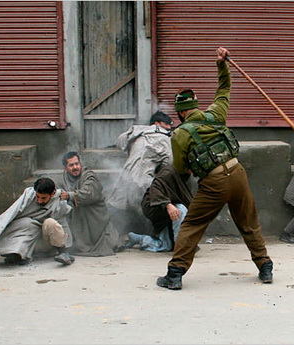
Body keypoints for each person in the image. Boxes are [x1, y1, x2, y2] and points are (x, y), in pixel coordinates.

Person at [156, 47, 273, 290]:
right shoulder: (216, 113)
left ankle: (175, 274)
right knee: (249, 223)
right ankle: (265, 267)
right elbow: (224, 89)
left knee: (192, 225)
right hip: (238, 173)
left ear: (180, 112)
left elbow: (180, 167)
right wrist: (222, 64)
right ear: (197, 105)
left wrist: (191, 165)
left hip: (214, 182)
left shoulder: (179, 134)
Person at [0, 177, 75, 266]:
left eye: (43, 198)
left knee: (50, 222)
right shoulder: (29, 195)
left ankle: (63, 254)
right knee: (25, 224)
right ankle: (16, 254)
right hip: (28, 236)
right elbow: (10, 214)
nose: (39, 200)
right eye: (37, 197)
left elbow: (62, 225)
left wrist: (65, 247)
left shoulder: (60, 202)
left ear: (52, 194)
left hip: (45, 239)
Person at [107, 110, 174, 236]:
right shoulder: (164, 138)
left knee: (117, 210)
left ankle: (115, 237)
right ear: (157, 123)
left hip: (123, 178)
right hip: (144, 182)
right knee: (150, 212)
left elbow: (120, 142)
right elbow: (168, 165)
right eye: (168, 124)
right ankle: (151, 239)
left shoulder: (136, 132)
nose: (170, 127)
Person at [56, 151, 121, 256]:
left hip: (95, 219)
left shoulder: (89, 176)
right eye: (71, 165)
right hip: (76, 220)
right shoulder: (63, 180)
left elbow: (89, 194)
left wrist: (70, 196)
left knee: (109, 243)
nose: (75, 167)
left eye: (77, 164)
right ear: (65, 168)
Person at [125, 164, 194, 252]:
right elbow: (156, 188)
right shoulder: (168, 173)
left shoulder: (184, 176)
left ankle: (139, 239)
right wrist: (168, 205)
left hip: (168, 209)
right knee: (181, 210)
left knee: (166, 246)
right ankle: (181, 248)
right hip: (156, 207)